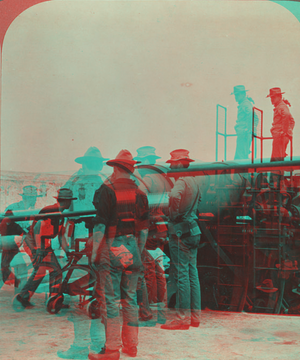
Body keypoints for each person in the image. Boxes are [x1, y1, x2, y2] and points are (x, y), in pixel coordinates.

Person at [90, 150, 149, 360]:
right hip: (132, 246)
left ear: (115, 168)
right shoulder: (141, 193)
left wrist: (96, 251)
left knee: (111, 300)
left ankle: (112, 350)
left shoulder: (107, 190)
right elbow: (143, 229)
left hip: (112, 246)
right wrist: (137, 251)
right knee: (131, 299)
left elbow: (100, 225)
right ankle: (131, 347)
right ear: (131, 169)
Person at [14, 188, 76, 308]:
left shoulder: (60, 214)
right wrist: (39, 249)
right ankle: (51, 300)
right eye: (70, 201)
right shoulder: (52, 211)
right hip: (34, 243)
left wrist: (67, 251)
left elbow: (61, 236)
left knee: (49, 271)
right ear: (66, 201)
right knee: (50, 271)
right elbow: (38, 228)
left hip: (42, 244)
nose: (71, 203)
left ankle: (27, 297)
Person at [161, 149, 201, 331]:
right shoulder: (194, 181)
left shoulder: (181, 181)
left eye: (172, 164)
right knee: (193, 274)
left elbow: (174, 196)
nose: (171, 167)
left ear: (178, 165)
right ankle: (195, 317)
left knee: (182, 276)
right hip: (193, 231)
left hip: (181, 231)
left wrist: (173, 214)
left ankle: (182, 319)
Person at [134, 146, 171, 324]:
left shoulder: (146, 178)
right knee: (159, 270)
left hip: (149, 228)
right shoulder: (163, 178)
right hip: (162, 226)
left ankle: (146, 312)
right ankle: (161, 312)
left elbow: (141, 205)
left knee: (146, 270)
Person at [64, 147, 109, 246]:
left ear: (84, 165)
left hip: (78, 235)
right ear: (100, 166)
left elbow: (63, 197)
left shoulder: (74, 182)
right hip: (99, 234)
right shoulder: (106, 185)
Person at [0, 185, 41, 288]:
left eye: (35, 197)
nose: (35, 199)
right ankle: (18, 295)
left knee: (21, 270)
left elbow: (28, 231)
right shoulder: (14, 208)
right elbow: (4, 227)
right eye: (33, 197)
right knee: (6, 270)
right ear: (27, 198)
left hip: (15, 243)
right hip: (8, 241)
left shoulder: (30, 210)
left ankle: (18, 295)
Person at [267, 87, 295, 162]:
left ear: (280, 97)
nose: (272, 100)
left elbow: (286, 115)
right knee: (278, 158)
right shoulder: (282, 106)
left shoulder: (281, 107)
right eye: (271, 98)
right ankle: (278, 173)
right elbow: (292, 121)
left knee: (276, 160)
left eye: (273, 97)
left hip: (279, 136)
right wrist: (288, 133)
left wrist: (284, 132)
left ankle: (276, 173)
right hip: (281, 136)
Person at [231, 85, 258, 160]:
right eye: (235, 95)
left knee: (240, 157)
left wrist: (249, 130)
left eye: (237, 95)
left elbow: (250, 115)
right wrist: (252, 130)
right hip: (244, 133)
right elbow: (256, 118)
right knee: (242, 156)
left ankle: (241, 172)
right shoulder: (246, 103)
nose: (235, 97)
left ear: (243, 94)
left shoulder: (245, 104)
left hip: (244, 134)